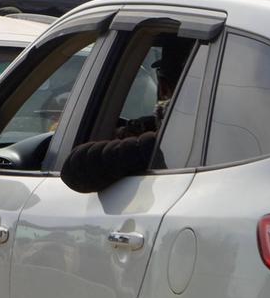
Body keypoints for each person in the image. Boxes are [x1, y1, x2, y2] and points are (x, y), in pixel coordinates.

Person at [60, 35, 194, 193]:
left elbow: (75, 169)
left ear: (164, 88)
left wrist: (151, 144)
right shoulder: (216, 133)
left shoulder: (173, 143)